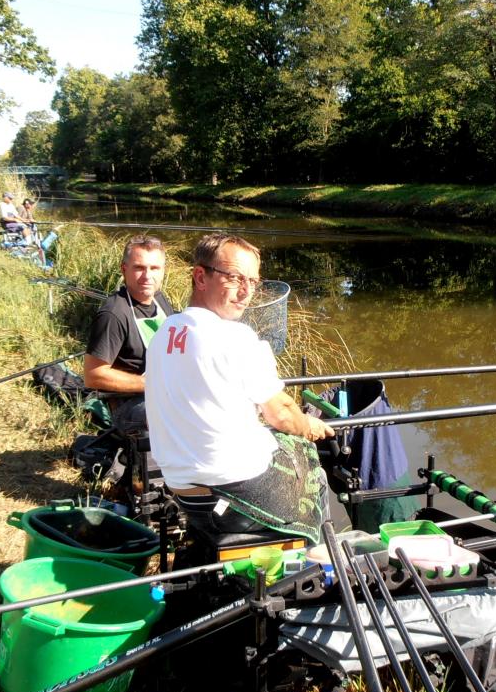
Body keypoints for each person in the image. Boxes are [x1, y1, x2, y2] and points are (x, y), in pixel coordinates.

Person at [144, 233, 334, 544]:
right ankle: (320, 555)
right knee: (309, 461)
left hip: (183, 489)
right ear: (200, 277)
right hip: (233, 492)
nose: (246, 291)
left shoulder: (164, 332)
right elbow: (283, 415)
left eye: (253, 281)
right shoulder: (234, 337)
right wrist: (308, 426)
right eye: (234, 277)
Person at [84, 235, 175, 435]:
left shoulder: (159, 299)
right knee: (176, 417)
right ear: (124, 269)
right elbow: (92, 376)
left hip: (166, 390)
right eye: (139, 268)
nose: (147, 276)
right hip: (127, 403)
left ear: (163, 271)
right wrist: (152, 384)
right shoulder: (114, 313)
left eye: (154, 268)